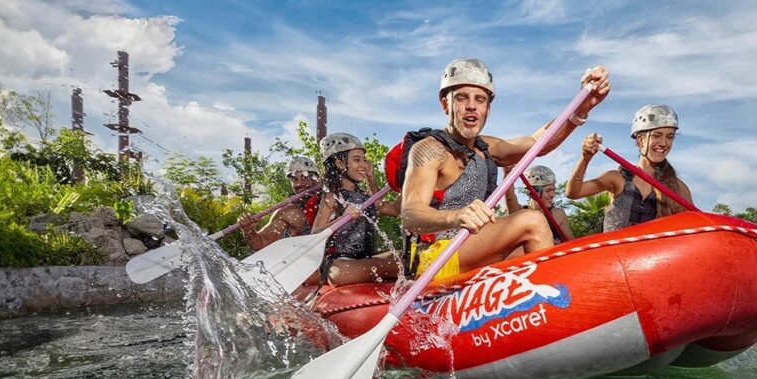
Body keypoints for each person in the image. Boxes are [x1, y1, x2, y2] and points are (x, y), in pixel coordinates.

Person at [400, 58, 610, 278]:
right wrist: (457, 217)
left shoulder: (488, 147)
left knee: (534, 251)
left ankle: (539, 302)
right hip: (433, 259)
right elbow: (411, 214)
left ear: (487, 109)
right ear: (445, 104)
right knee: (532, 220)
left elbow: (538, 143)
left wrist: (584, 105)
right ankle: (554, 300)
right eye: (461, 98)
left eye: (480, 99)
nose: (471, 106)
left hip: (470, 248)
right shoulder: (430, 149)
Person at [565, 104, 692, 232]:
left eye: (670, 137)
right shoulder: (617, 178)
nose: (664, 143)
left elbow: (695, 224)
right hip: (613, 251)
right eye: (657, 135)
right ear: (640, 140)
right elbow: (573, 192)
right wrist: (585, 158)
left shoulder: (679, 188)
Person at [311, 132, 402, 286]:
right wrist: (341, 219)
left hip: (366, 261)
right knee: (338, 272)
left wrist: (407, 182)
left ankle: (400, 267)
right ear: (340, 163)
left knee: (403, 255)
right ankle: (401, 269)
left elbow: (392, 210)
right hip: (345, 264)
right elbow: (314, 235)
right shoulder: (333, 196)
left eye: (364, 160)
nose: (364, 164)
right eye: (356, 160)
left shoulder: (365, 196)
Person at [238, 156, 321, 251]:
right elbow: (260, 243)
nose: (299, 184)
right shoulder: (287, 211)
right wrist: (248, 231)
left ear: (315, 179)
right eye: (294, 180)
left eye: (304, 178)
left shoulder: (330, 198)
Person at [503, 165, 575, 243]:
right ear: (533, 193)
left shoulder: (558, 214)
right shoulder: (521, 213)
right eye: (548, 191)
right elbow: (510, 199)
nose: (552, 194)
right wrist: (508, 173)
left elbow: (571, 242)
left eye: (553, 190)